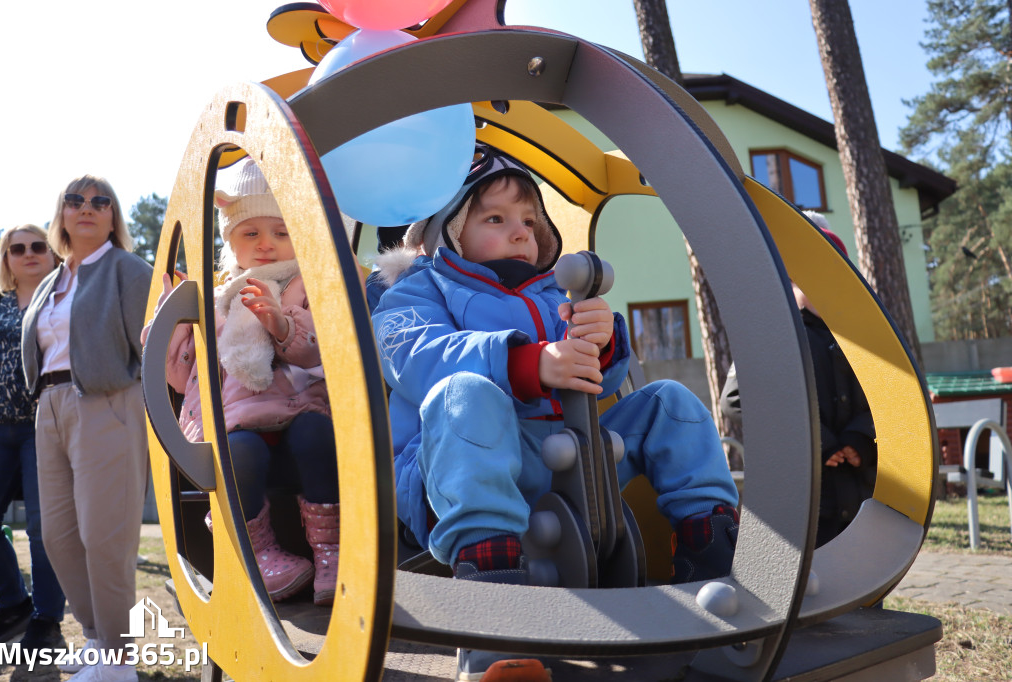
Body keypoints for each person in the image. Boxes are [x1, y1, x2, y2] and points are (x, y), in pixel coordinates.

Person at [370, 145, 740, 680]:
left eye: (529, 220)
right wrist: (529, 361)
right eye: (495, 219)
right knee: (466, 394)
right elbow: (418, 357)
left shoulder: (554, 294)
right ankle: (494, 613)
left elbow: (597, 379)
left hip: (569, 459)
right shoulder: (414, 293)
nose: (520, 232)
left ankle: (713, 561)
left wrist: (601, 344)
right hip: (455, 471)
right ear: (445, 234)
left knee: (671, 403)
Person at [147, 158, 339, 606]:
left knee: (316, 434)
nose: (266, 244)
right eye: (251, 233)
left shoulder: (309, 286)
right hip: (237, 423)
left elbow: (324, 349)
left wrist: (283, 325)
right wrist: (172, 328)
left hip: (301, 412)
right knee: (240, 453)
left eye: (281, 232)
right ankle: (258, 553)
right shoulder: (212, 300)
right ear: (229, 240)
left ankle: (332, 549)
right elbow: (182, 378)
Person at [22, 176, 152, 682]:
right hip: (49, 406)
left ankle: (119, 663)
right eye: (74, 200)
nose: (87, 208)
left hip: (107, 403)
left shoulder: (127, 269)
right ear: (62, 215)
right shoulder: (53, 280)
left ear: (113, 217)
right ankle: (98, 640)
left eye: (101, 202)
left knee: (105, 537)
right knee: (57, 535)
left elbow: (155, 348)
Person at [720, 210, 876, 547]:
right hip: (800, 495)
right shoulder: (775, 332)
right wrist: (814, 438)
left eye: (832, 275)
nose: (823, 285)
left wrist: (861, 438)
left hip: (859, 493)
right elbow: (736, 400)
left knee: (858, 565)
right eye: (810, 275)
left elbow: (891, 395)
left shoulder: (863, 333)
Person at [0, 225, 66, 655]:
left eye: (39, 246)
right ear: (6, 260)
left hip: (44, 428)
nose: (29, 253)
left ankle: (46, 619)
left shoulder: (62, 300)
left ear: (53, 255)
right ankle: (13, 603)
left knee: (43, 527)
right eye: (17, 248)